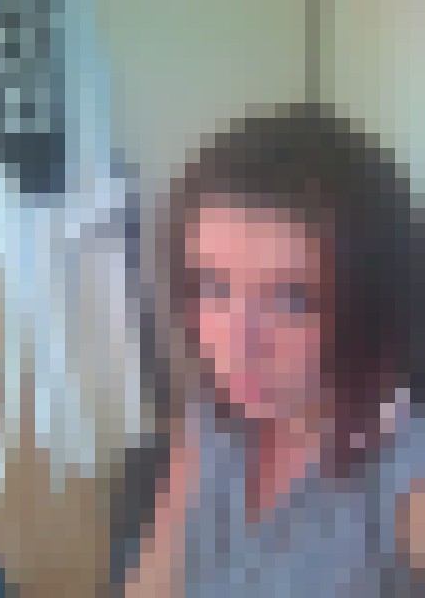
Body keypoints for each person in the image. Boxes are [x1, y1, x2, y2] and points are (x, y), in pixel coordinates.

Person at [126, 103, 421, 597]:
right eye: (211, 286)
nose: (237, 346)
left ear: (367, 304)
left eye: (293, 298)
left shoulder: (406, 482)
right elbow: (152, 583)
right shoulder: (209, 415)